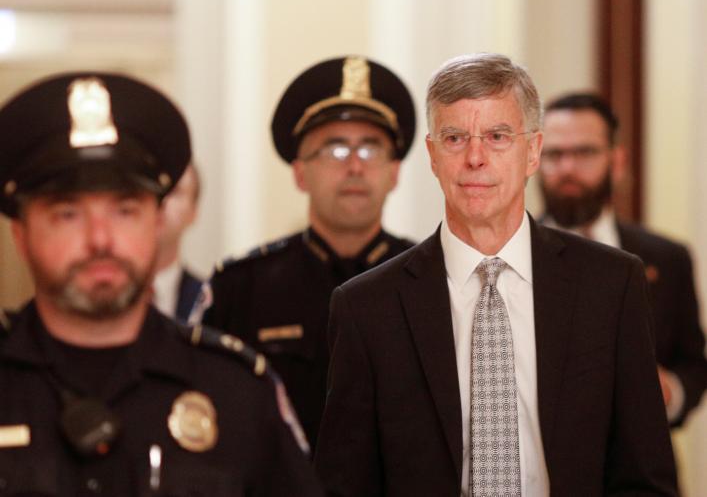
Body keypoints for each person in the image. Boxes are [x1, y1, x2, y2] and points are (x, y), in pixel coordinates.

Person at [314, 53, 677, 496]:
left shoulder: (612, 285)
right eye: (454, 138)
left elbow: (645, 477)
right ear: (432, 155)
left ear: (533, 151)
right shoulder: (366, 307)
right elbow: (345, 486)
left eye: (498, 136)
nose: (475, 158)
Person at [0, 72, 322, 495]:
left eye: (125, 211)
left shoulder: (236, 392)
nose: (100, 239)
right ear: (21, 236)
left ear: (156, 224)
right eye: (67, 214)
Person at [201, 55, 417, 449]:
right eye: (335, 150)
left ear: (394, 172)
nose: (354, 166)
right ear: (301, 173)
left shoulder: (432, 280)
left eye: (370, 150)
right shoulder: (243, 286)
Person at [538, 92, 707, 427]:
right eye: (554, 154)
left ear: (617, 161)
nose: (567, 168)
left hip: (643, 465)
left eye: (584, 152)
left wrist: (669, 391)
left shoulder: (666, 258)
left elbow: (693, 365)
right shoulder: (510, 255)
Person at [152, 162, 203, 322]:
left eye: (174, 192)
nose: (162, 202)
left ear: (193, 212)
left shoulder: (209, 300)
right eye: (154, 188)